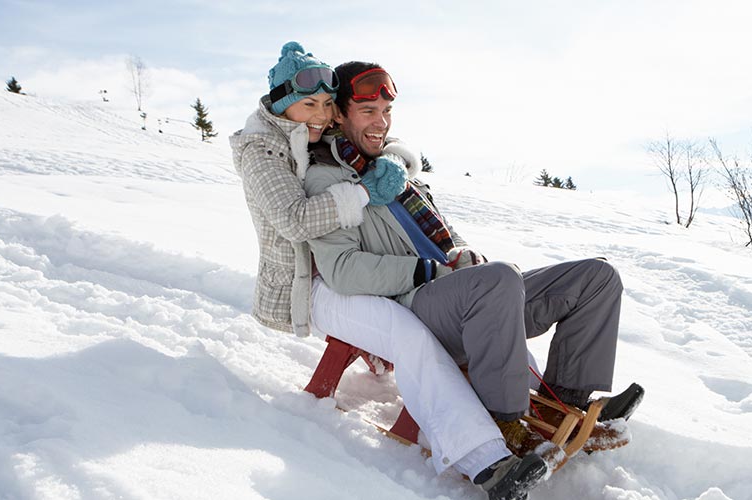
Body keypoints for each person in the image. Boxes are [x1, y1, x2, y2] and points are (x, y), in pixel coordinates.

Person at [230, 42, 547, 500]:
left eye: (325, 104)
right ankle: (482, 460)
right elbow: (294, 220)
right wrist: (363, 193)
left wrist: (392, 163)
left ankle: (526, 404)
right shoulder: (264, 151)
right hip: (317, 284)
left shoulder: (317, 138)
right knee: (412, 335)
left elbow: (366, 155)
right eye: (308, 105)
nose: (318, 115)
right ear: (282, 105)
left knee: (469, 311)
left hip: (356, 268)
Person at [301, 61, 646, 453]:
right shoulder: (326, 180)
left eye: (387, 112)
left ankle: (566, 401)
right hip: (419, 302)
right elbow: (341, 269)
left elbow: (444, 233)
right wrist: (430, 270)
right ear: (340, 114)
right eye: (368, 112)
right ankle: (505, 420)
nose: (382, 123)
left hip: (472, 294)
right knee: (498, 279)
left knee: (596, 278)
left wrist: (464, 254)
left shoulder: (395, 172)